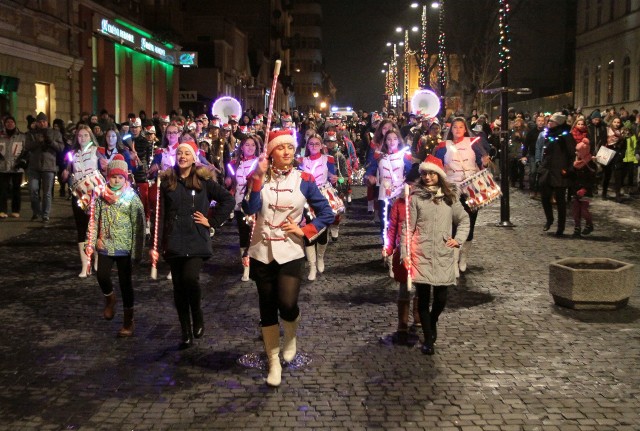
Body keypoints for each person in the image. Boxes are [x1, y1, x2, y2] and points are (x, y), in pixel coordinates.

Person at [242, 129, 334, 387]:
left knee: (288, 303)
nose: (286, 153)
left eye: (290, 149)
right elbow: (248, 209)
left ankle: (291, 334)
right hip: (262, 250)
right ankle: (273, 363)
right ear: (271, 152)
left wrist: (305, 230)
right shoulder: (260, 176)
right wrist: (257, 180)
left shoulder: (303, 179)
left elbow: (327, 212)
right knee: (267, 307)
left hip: (291, 250)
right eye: (280, 148)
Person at [156, 140, 234, 349]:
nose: (182, 156)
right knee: (178, 287)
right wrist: (155, 244)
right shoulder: (166, 181)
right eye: (179, 153)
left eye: (186, 153)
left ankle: (197, 313)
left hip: (196, 238)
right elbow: (160, 214)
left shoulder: (203, 180)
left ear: (194, 157)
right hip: (173, 240)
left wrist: (212, 221)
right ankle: (185, 330)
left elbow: (228, 200)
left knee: (190, 279)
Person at [401, 155, 469, 355]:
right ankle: (429, 338)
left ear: (439, 175)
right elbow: (408, 227)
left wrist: (458, 240)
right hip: (420, 252)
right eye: (424, 174)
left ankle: (433, 319)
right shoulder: (415, 198)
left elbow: (463, 219)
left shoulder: (450, 198)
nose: (428, 177)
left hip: (442, 253)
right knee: (422, 297)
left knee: (441, 297)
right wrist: (405, 252)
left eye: (432, 173)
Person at [89, 154, 144, 336]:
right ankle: (110, 299)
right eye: (113, 176)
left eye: (120, 177)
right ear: (108, 176)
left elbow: (139, 225)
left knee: (125, 282)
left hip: (124, 246)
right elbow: (93, 219)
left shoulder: (132, 198)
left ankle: (128, 321)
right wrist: (90, 241)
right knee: (102, 275)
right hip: (105, 243)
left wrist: (137, 251)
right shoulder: (100, 196)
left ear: (125, 178)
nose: (117, 180)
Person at [434, 117, 490, 272]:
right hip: (452, 188)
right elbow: (436, 165)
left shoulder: (474, 143)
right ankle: (453, 258)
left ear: (465, 129)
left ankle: (463, 257)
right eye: (455, 127)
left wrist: (485, 162)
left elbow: (483, 161)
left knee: (470, 223)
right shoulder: (443, 146)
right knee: (452, 224)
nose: (458, 130)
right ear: (450, 129)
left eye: (461, 127)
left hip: (472, 187)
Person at [64, 124, 107, 277]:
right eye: (80, 136)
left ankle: (97, 259)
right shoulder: (72, 153)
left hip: (95, 194)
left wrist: (105, 167)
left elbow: (105, 169)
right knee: (81, 228)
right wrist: (65, 172)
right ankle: (85, 264)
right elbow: (68, 172)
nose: (82, 138)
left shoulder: (98, 151)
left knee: (95, 228)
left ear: (90, 137)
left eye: (85, 135)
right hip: (78, 195)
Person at [298, 133, 338, 281]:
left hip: (323, 196)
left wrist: (334, 179)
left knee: (322, 232)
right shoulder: (302, 160)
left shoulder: (328, 159)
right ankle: (312, 266)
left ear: (322, 145)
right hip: (307, 197)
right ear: (307, 146)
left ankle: (320, 257)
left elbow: (332, 176)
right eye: (311, 144)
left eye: (317, 143)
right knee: (309, 231)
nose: (314, 146)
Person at [224, 134, 263, 282]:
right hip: (239, 203)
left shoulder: (259, 163)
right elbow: (230, 182)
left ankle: (257, 263)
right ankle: (245, 267)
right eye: (247, 145)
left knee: (256, 235)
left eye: (253, 145)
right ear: (242, 147)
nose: (250, 147)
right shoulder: (235, 164)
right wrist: (229, 181)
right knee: (243, 235)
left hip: (255, 204)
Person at [535, 112, 576, 236]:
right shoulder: (548, 135)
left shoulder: (566, 136)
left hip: (560, 172)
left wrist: (568, 169)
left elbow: (572, 154)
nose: (548, 123)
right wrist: (541, 167)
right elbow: (545, 152)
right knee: (544, 197)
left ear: (557, 123)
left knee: (560, 201)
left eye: (551, 122)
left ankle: (561, 227)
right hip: (547, 171)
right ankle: (549, 219)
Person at [24, 112, 65, 224]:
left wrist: (50, 142)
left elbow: (61, 148)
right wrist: (38, 141)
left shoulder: (55, 133)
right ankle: (36, 212)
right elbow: (27, 146)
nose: (42, 123)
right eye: (40, 121)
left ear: (47, 122)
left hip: (49, 166)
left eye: (44, 121)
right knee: (33, 190)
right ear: (36, 123)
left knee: (47, 192)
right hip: (34, 166)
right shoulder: (31, 133)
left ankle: (45, 214)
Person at [0, 116, 25, 218]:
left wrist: (22, 161)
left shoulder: (21, 136)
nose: (10, 124)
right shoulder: (1, 136)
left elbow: (25, 150)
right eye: (8, 122)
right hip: (2, 167)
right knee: (2, 190)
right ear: (5, 124)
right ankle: (2, 210)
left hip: (16, 167)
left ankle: (15, 210)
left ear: (15, 124)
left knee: (16, 190)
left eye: (12, 122)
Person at [570, 142, 597, 237]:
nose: (576, 153)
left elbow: (592, 178)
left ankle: (589, 224)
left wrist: (585, 188)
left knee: (584, 210)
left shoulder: (590, 164)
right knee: (575, 210)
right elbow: (572, 175)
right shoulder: (575, 162)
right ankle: (577, 227)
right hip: (576, 189)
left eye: (578, 151)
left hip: (585, 190)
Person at [603, 116, 625, 202]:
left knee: (618, 176)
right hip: (608, 153)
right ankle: (604, 193)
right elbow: (603, 141)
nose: (616, 124)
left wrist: (621, 154)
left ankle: (617, 195)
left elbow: (624, 145)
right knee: (607, 175)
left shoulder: (622, 132)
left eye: (618, 122)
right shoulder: (608, 130)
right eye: (615, 122)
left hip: (618, 155)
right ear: (612, 122)